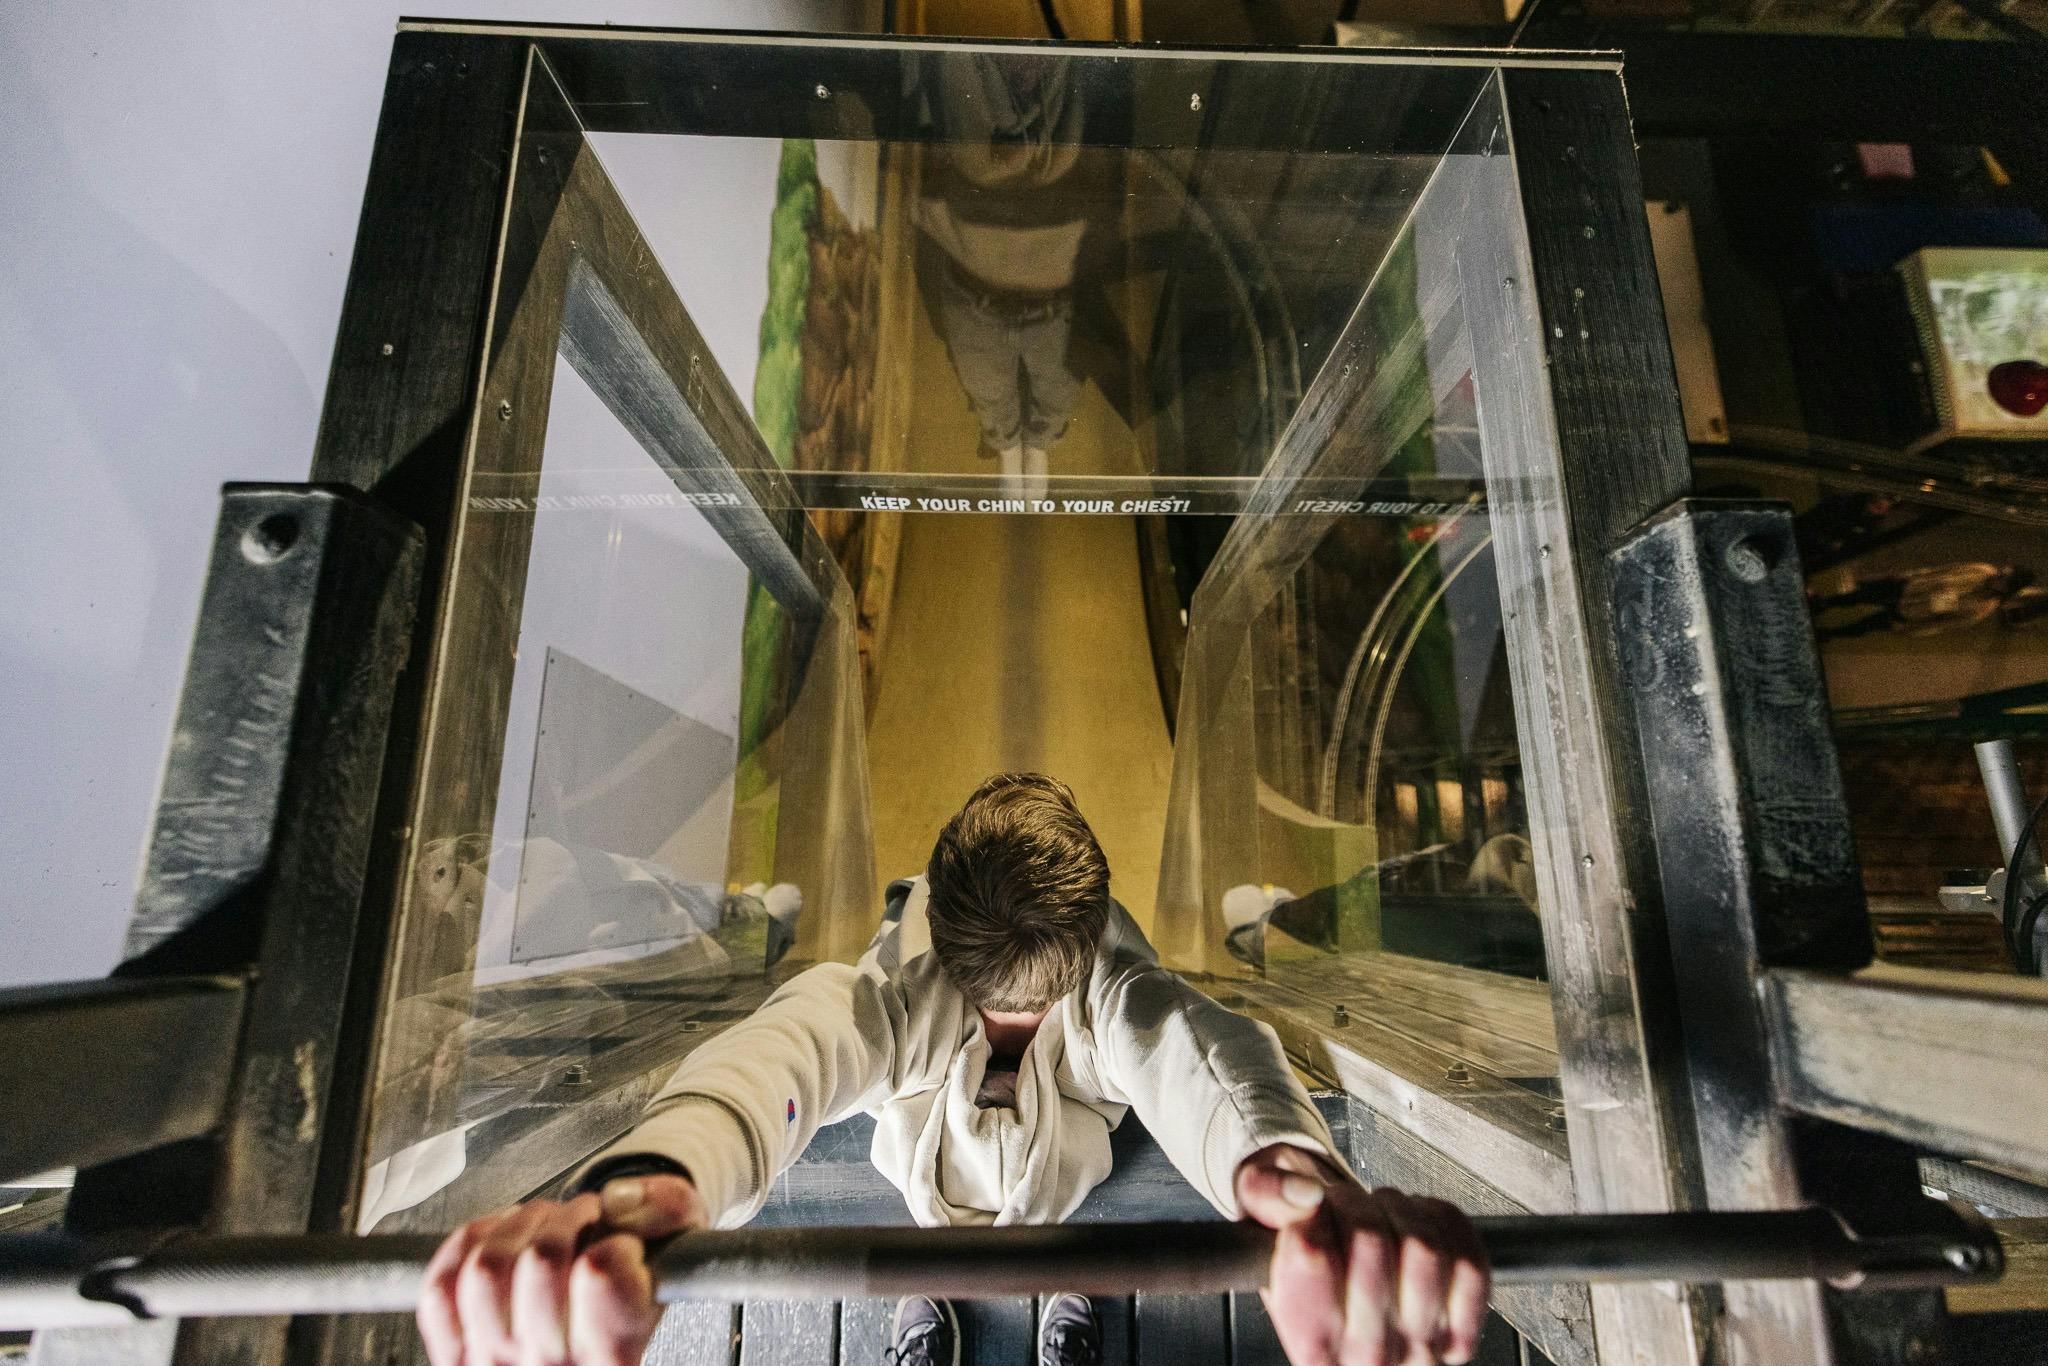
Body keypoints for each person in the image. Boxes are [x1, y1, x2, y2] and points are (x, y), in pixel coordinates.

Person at [417, 773, 1490, 1366]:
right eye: (1000, 1002)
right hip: (931, 1175)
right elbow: (791, 1048)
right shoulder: (899, 992)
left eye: (1042, 999)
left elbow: (1192, 1044)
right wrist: (657, 1175)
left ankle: (1051, 1275)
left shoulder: (1106, 981)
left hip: (1057, 1182)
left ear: (1083, 946)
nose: (1021, 1021)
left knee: (1053, 1211)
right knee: (936, 1214)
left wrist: (1280, 1169)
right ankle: (945, 1275)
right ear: (945, 945)